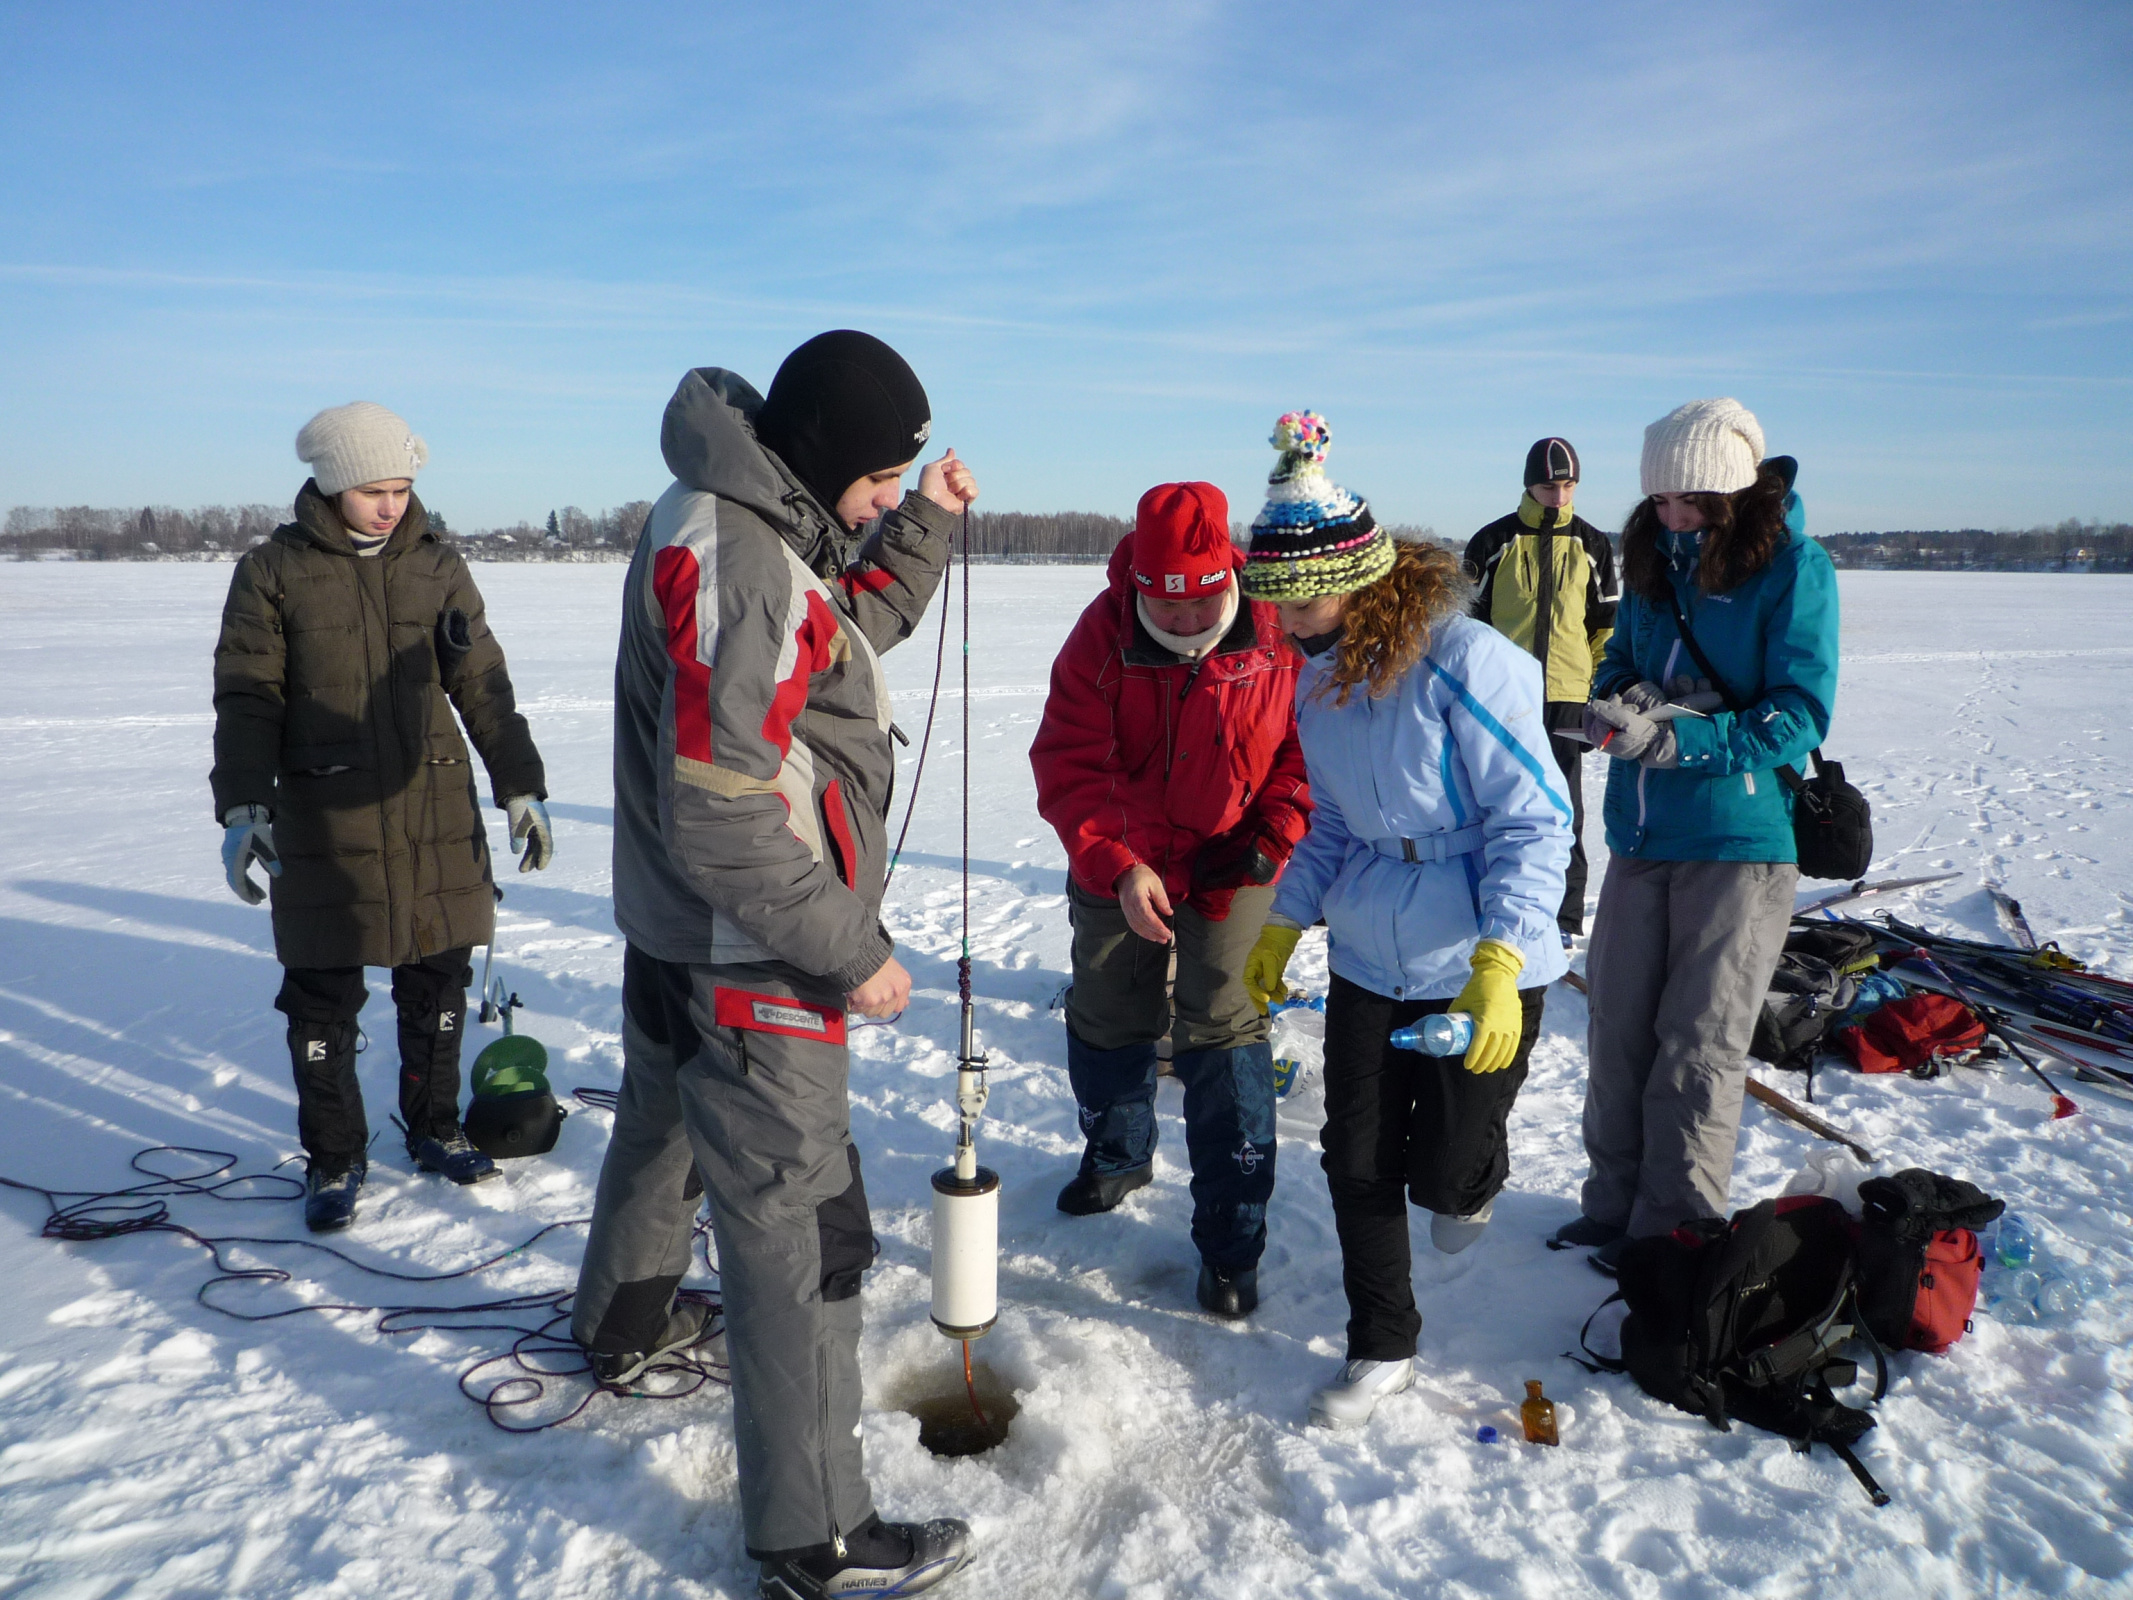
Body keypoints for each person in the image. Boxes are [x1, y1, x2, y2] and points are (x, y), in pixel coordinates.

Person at [571, 332, 977, 1599]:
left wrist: (921, 522)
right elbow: (723, 813)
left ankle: (621, 1322)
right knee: (805, 1226)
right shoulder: (747, 560)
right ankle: (817, 1536)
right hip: (755, 940)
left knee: (662, 1128)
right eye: (880, 477)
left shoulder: (739, 511)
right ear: (823, 455)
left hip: (678, 929)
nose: (883, 497)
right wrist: (851, 950)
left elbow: (842, 627)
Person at [1237, 411, 1571, 1429]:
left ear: (1362, 578)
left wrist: (1502, 960)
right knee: (1356, 1156)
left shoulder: (1464, 664)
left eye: (1301, 602)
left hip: (1479, 953)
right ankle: (1382, 1343)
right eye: (1277, 605)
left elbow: (1534, 818)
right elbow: (1335, 818)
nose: (1285, 626)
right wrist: (1287, 919)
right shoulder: (1318, 681)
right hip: (1371, 954)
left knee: (1447, 1171)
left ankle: (1473, 1174)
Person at [212, 403, 552, 1233]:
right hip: (324, 819)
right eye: (373, 490)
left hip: (432, 808)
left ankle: (434, 1127)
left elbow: (483, 684)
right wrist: (243, 805)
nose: (390, 505)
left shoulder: (438, 566)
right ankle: (334, 1156)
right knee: (322, 998)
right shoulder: (273, 571)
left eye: (401, 488)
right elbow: (248, 697)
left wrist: (519, 785)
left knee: (437, 983)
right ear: (332, 485)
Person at [1548, 399, 1838, 1276]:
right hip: (1640, 832)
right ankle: (1611, 1207)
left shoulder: (1794, 567)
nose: (1672, 516)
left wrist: (1688, 738)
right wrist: (1623, 699)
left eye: (1690, 501)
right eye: (1660, 500)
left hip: (1740, 843)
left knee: (1699, 1040)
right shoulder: (1649, 563)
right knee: (1618, 1028)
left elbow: (1799, 712)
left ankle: (1671, 1229)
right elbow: (1615, 658)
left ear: (1732, 492)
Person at [1028, 478, 1312, 1319]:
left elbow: (1307, 748)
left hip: (1236, 858)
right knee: (1109, 1012)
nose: (1187, 623)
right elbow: (1071, 762)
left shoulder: (1271, 627)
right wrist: (1117, 861)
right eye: (1168, 608)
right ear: (1139, 588)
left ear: (1226, 576)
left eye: (1202, 607)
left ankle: (1231, 1238)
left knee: (1222, 1022)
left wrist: (1268, 836)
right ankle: (1117, 1155)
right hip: (1121, 860)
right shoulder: (1100, 634)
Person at [1462, 438, 1618, 943]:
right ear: (1529, 483)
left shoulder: (1593, 544)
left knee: (1562, 809)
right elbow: (1467, 623)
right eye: (1549, 485)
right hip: (1502, 698)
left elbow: (1606, 625)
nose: (1559, 495)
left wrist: (1593, 683)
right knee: (1493, 805)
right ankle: (1488, 912)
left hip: (1567, 698)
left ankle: (1564, 921)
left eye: (1568, 485)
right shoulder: (1492, 541)